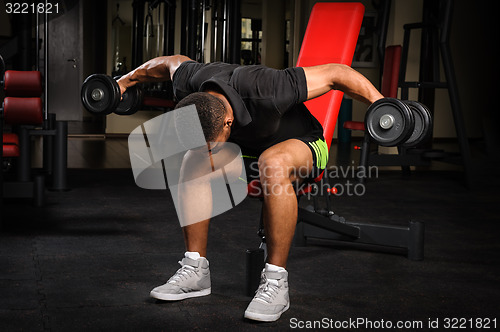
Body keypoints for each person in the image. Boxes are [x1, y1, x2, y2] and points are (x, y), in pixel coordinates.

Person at [117, 55, 384, 322]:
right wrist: (123, 83)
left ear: (227, 124)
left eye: (212, 145)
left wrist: (382, 106)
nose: (209, 153)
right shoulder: (191, 81)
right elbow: (169, 63)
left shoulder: (267, 88)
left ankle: (276, 281)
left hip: (300, 145)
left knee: (273, 162)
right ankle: (196, 270)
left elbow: (336, 73)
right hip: (247, 154)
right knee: (192, 160)